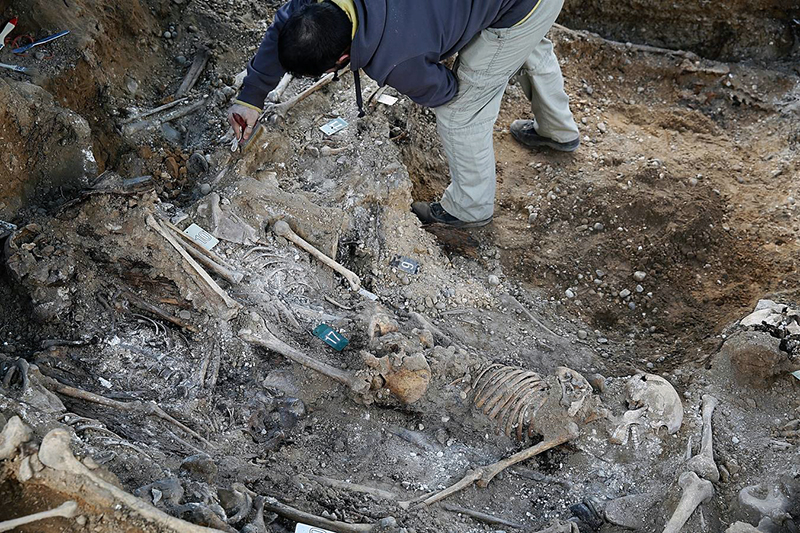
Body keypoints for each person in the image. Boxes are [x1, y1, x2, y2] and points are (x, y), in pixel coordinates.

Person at [229, 0, 579, 228]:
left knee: (462, 111)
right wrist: (251, 98)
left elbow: (446, 91)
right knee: (529, 42)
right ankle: (557, 129)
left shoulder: (396, 59)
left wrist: (432, 53)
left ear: (342, 60)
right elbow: (286, 25)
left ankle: (469, 208)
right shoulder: (316, 7)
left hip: (524, 7)